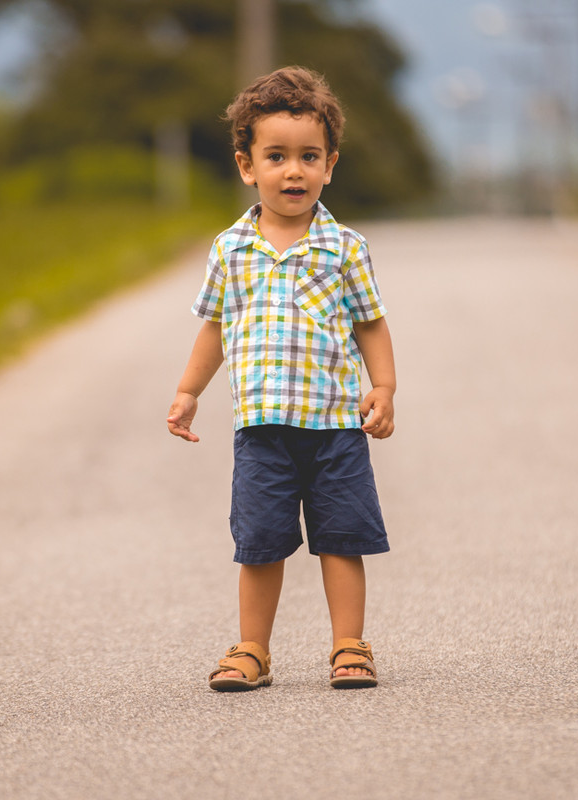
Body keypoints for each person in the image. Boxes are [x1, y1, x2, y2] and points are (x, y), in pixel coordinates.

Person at [167, 66, 396, 692]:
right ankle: (252, 650)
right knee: (260, 544)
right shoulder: (230, 250)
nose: (293, 171)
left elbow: (371, 323)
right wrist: (189, 391)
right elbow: (213, 329)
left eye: (308, 157)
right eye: (276, 157)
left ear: (330, 164)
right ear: (247, 166)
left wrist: (384, 388)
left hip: (335, 428)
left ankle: (350, 646)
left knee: (341, 539)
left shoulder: (344, 247)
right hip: (262, 431)